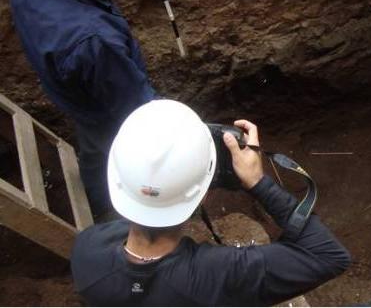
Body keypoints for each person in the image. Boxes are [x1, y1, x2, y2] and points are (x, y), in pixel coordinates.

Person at [70, 99, 351, 306]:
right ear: (204, 194)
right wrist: (258, 183)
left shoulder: (86, 250)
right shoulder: (219, 275)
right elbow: (328, 255)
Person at [10, 0, 156, 217]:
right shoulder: (95, 40)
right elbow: (132, 105)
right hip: (99, 108)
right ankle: (125, 212)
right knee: (121, 151)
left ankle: (97, 198)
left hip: (68, 91)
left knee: (92, 150)